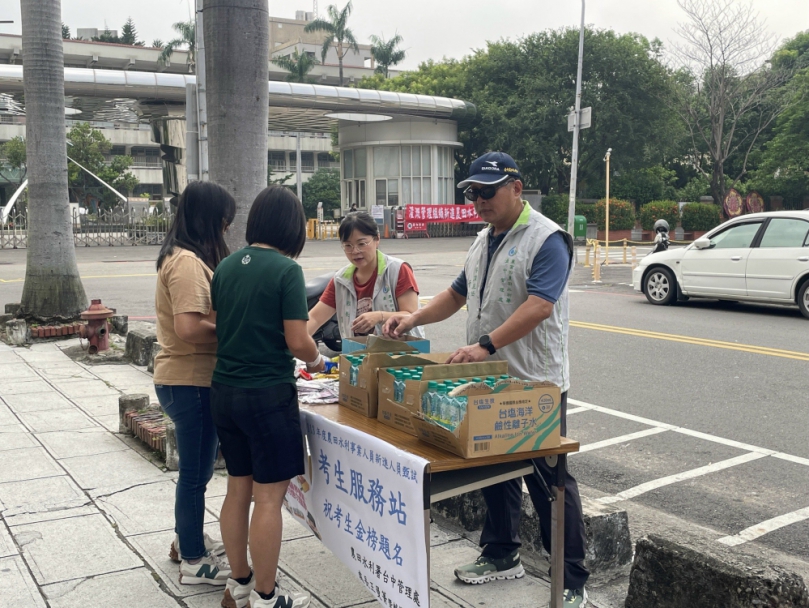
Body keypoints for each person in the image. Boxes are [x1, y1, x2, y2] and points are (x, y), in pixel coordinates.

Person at [384, 152, 589, 607]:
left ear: (517, 188)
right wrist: (413, 316)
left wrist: (485, 345)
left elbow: (540, 305)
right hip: (491, 379)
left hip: (534, 382)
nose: (478, 200)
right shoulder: (482, 240)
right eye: (472, 192)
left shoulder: (547, 238)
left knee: (548, 481)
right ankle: (501, 554)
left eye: (487, 191)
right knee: (495, 471)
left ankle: (572, 578)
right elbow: (456, 294)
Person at [210, 186, 323, 608]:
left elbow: (221, 326)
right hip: (266, 395)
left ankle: (238, 584)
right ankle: (266, 596)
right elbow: (298, 340)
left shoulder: (224, 268)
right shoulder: (285, 270)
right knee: (269, 498)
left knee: (237, 489)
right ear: (293, 228)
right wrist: (319, 358)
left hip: (224, 390)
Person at [153, 181, 235, 585]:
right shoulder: (186, 262)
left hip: (186, 381)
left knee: (196, 474)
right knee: (195, 475)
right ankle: (191, 559)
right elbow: (189, 327)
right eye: (223, 221)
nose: (225, 229)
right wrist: (240, 327)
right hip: (191, 382)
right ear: (210, 219)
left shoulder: (181, 256)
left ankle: (185, 540)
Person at [307, 211, 424, 340]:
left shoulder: (397, 270)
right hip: (358, 355)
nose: (355, 251)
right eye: (348, 246)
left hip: (401, 354)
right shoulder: (341, 280)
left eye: (361, 244)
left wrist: (379, 316)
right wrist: (296, 342)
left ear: (377, 239)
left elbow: (412, 315)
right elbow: (315, 318)